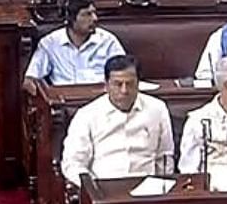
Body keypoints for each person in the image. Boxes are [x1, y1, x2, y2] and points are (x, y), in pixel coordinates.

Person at [60, 55, 174, 186]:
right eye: (118, 84)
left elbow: (165, 156)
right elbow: (73, 164)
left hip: (148, 187)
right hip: (104, 188)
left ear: (138, 83)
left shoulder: (157, 109)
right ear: (106, 85)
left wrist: (163, 187)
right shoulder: (87, 115)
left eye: (130, 84)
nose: (124, 91)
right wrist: (92, 189)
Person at [23, 0, 124, 89]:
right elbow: (30, 79)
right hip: (62, 101)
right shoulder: (49, 43)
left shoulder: (108, 41)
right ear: (70, 19)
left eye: (94, 13)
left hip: (100, 99)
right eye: (87, 14)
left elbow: (125, 73)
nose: (95, 19)